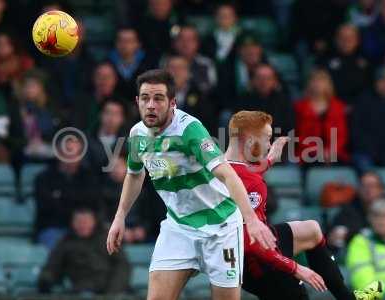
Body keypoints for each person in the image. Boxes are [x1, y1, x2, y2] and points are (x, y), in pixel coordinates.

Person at [106, 69, 276, 300]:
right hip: (179, 227)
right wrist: (120, 216)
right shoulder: (137, 134)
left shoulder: (189, 130)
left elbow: (227, 174)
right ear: (137, 101)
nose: (151, 105)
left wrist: (252, 220)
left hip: (221, 227)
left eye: (158, 98)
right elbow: (135, 175)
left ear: (172, 102)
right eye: (145, 98)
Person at [225, 110, 383, 300]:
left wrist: (269, 161)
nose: (269, 144)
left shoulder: (222, 166)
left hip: (240, 251)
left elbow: (245, 173)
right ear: (249, 140)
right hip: (256, 263)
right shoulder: (249, 182)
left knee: (311, 230)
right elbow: (251, 242)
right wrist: (296, 268)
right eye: (267, 138)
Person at [38, 207, 130, 295]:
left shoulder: (107, 239)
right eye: (79, 222)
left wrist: (111, 294)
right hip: (78, 291)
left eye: (86, 221)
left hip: (107, 291)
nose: (82, 225)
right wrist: (46, 280)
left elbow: (122, 267)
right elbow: (53, 266)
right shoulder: (66, 242)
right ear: (73, 223)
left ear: (94, 222)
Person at [34, 134, 100, 249]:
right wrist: (75, 212)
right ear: (59, 153)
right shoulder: (44, 178)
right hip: (54, 228)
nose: (72, 156)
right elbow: (47, 208)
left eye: (77, 152)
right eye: (68, 151)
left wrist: (62, 199)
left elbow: (93, 205)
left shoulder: (89, 178)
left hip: (85, 230)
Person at [294, 69, 349, 164]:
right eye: (314, 81)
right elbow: (300, 135)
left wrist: (331, 151)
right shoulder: (300, 107)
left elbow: (341, 135)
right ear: (309, 84)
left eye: (321, 81)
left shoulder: (338, 107)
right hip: (307, 154)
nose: (318, 84)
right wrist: (318, 152)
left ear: (328, 85)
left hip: (335, 154)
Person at [347, 199, 385, 298]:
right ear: (369, 218)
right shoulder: (360, 242)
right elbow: (363, 284)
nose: (382, 221)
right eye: (377, 216)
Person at [327, 172, 385, 251]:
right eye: (364, 186)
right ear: (358, 189)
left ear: (381, 189)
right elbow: (334, 237)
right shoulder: (347, 211)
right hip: (355, 253)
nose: (368, 190)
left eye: (372, 186)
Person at [351, 67, 385, 172]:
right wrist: (373, 151)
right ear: (375, 83)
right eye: (382, 81)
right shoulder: (363, 101)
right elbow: (356, 131)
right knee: (365, 168)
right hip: (367, 153)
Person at [317, 24, 371, 106]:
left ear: (357, 41)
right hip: (330, 106)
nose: (346, 41)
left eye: (350, 38)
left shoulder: (365, 63)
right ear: (336, 40)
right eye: (342, 37)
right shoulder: (325, 60)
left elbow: (367, 92)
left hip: (358, 108)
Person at [164, 54, 215, 134]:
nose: (176, 72)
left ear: (188, 73)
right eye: (172, 68)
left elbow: (206, 124)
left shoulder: (200, 95)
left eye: (180, 68)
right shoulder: (156, 95)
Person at [239, 64, 294, 136]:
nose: (263, 82)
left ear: (274, 82)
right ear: (252, 81)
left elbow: (288, 129)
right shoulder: (243, 100)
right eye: (259, 78)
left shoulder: (284, 101)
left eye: (268, 78)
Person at [108, 27, 157, 101]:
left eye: (129, 41)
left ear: (138, 44)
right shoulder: (108, 64)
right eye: (121, 41)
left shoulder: (149, 65)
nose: (124, 45)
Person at [171, 25, 217, 94]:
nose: (185, 43)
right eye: (181, 39)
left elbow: (211, 90)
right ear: (175, 42)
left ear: (197, 43)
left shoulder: (206, 64)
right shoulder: (165, 62)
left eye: (190, 39)